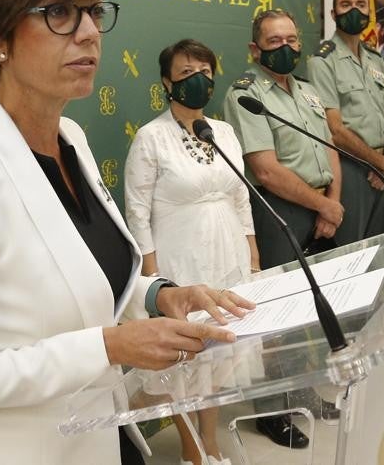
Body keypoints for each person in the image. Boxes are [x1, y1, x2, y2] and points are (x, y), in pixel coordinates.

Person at [0, 0, 252, 465]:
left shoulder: (72, 140)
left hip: (99, 438)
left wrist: (158, 298)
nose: (89, 32)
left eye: (92, 11)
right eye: (60, 13)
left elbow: (91, 280)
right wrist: (108, 348)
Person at [125, 39, 259, 465]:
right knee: (184, 356)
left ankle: (211, 440)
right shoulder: (151, 137)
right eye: (186, 73)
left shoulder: (224, 132)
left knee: (220, 353)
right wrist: (152, 277)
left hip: (228, 254)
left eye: (204, 70)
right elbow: (137, 211)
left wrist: (252, 256)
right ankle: (191, 450)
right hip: (178, 259)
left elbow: (242, 199)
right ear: (167, 83)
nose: (197, 80)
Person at [223, 7, 342, 448]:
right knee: (276, 318)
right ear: (255, 49)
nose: (286, 48)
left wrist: (332, 203)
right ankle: (272, 410)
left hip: (320, 205)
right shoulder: (245, 95)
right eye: (275, 42)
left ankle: (304, 391)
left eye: (292, 39)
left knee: (310, 312)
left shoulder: (308, 91)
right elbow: (266, 170)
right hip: (280, 211)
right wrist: (321, 207)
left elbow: (330, 149)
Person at [307, 0, 384, 245]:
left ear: (369, 13)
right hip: (350, 170)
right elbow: (334, 130)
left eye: (360, 5)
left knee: (381, 248)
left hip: (383, 168)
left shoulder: (374, 58)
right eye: (345, 5)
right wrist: (380, 165)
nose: (354, 11)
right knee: (352, 250)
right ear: (334, 13)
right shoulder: (322, 61)